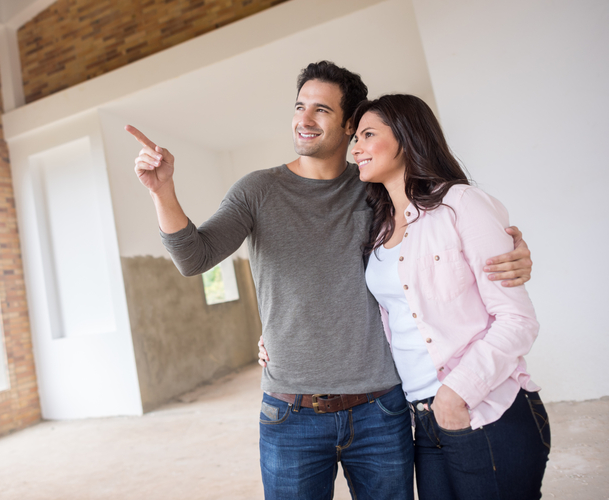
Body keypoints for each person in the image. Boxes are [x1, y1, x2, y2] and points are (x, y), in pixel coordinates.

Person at [128, 62, 533, 500]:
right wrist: (162, 191)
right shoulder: (257, 191)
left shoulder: (375, 187)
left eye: (321, 110)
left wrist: (514, 250)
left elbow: (439, 233)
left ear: (349, 125)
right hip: (290, 411)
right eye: (300, 106)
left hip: (382, 407)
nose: (304, 120)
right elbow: (194, 257)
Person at [260, 93, 549, 499]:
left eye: (368, 135)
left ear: (407, 138)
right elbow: (348, 300)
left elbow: (518, 320)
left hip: (484, 406)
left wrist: (456, 394)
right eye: (355, 137)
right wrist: (278, 333)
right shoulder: (378, 229)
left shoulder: (461, 204)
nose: (355, 147)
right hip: (421, 419)